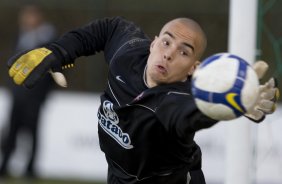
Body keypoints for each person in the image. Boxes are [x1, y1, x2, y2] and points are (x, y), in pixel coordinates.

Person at [7, 17, 279, 183]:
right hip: (118, 176)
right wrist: (59, 51)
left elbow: (195, 114)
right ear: (153, 42)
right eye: (166, 42)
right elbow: (106, 28)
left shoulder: (176, 101)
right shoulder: (128, 52)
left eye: (184, 52)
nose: (169, 54)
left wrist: (230, 102)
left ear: (193, 69)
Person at [0, 4, 56, 177]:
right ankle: (5, 166)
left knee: (32, 132)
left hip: (35, 96)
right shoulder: (21, 36)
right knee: (12, 131)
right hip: (18, 94)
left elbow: (54, 69)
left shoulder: (48, 39)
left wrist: (44, 93)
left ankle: (30, 168)